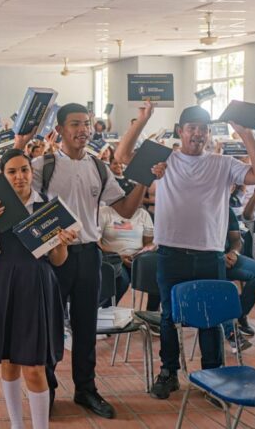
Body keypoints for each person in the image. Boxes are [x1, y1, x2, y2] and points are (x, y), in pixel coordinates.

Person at [115, 103, 255, 401]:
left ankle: (213, 377)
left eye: (203, 128)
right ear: (181, 131)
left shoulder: (222, 164)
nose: (198, 134)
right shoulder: (165, 159)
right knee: (169, 316)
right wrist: (143, 119)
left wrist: (247, 134)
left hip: (210, 253)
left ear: (209, 133)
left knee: (210, 318)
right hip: (171, 253)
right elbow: (123, 156)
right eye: (192, 128)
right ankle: (169, 373)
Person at [20, 103, 158, 419]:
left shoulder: (98, 167)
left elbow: (123, 209)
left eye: (87, 123)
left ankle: (86, 389)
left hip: (89, 255)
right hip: (54, 257)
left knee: (86, 326)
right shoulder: (43, 165)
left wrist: (142, 182)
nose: (83, 129)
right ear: (59, 130)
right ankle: (48, 389)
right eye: (75, 124)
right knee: (51, 326)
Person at [0, 149, 77, 429]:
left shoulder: (48, 207)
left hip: (37, 287)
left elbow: (57, 261)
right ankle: (17, 425)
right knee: (8, 361)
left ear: (32, 172)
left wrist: (62, 242)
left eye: (25, 170)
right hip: (2, 284)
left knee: (34, 365)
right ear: (3, 176)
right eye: (12, 172)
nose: (20, 177)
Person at [222, 207, 255, 351]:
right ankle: (231, 332)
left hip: (228, 257)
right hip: (206, 260)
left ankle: (239, 314)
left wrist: (234, 253)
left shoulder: (226, 209)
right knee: (223, 286)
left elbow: (236, 240)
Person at [97, 203, 158, 309]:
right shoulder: (104, 212)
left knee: (158, 276)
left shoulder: (143, 214)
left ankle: (151, 313)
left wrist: (142, 253)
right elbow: (97, 243)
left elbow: (150, 243)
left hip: (138, 259)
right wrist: (118, 256)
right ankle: (108, 310)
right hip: (113, 259)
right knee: (121, 280)